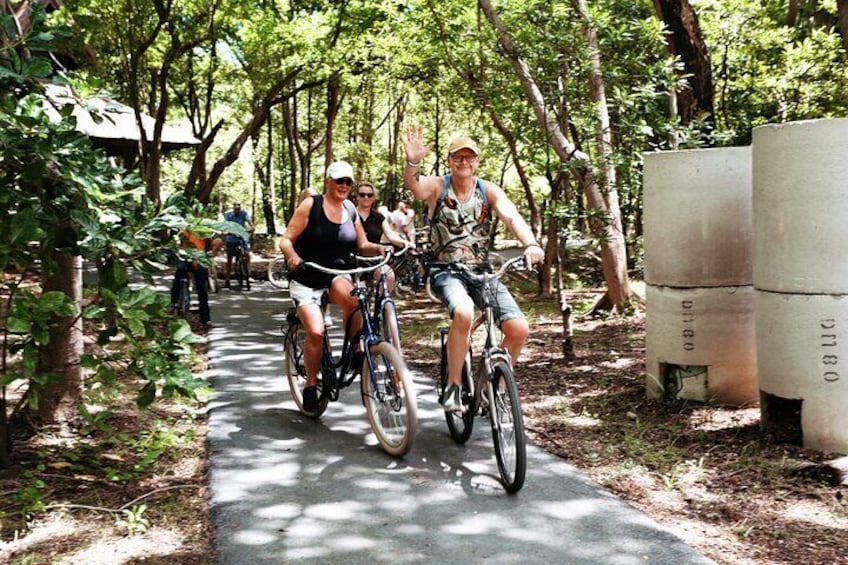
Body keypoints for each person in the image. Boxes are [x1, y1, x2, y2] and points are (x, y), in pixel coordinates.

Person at [401, 126, 544, 412]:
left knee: (518, 329)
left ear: (477, 161)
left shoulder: (487, 190)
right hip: (446, 270)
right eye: (458, 157)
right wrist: (413, 162)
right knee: (464, 312)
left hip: (481, 271)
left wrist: (530, 243)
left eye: (469, 157)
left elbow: (511, 216)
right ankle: (454, 387)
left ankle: (497, 389)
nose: (463, 162)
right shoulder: (438, 187)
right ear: (449, 160)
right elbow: (415, 188)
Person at [279, 161, 389, 411]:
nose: (344, 186)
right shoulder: (311, 205)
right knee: (316, 332)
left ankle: (356, 352)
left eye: (348, 182)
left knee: (355, 300)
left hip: (334, 275)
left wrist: (380, 248)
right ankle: (309, 384)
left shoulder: (350, 208)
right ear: (328, 181)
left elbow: (362, 244)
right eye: (339, 181)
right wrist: (292, 257)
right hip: (307, 277)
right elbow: (286, 240)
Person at [354, 182, 408, 289]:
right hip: (352, 259)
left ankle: (381, 304)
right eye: (362, 194)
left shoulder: (379, 217)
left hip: (373, 259)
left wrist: (405, 243)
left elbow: (391, 235)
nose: (366, 197)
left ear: (374, 198)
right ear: (357, 197)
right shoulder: (349, 213)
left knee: (389, 276)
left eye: (369, 195)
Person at [170, 228, 211, 328]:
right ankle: (174, 303)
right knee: (179, 276)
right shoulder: (184, 228)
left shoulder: (204, 229)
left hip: (199, 258)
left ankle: (205, 319)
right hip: (184, 256)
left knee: (201, 287)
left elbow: (209, 242)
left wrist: (202, 255)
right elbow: (177, 241)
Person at [223, 202, 254, 288]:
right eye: (236, 209)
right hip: (231, 237)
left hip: (242, 236)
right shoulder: (229, 215)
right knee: (229, 258)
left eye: (238, 209)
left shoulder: (244, 214)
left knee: (247, 254)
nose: (237, 210)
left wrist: (251, 228)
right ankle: (227, 278)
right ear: (233, 209)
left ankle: (248, 273)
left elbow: (250, 222)